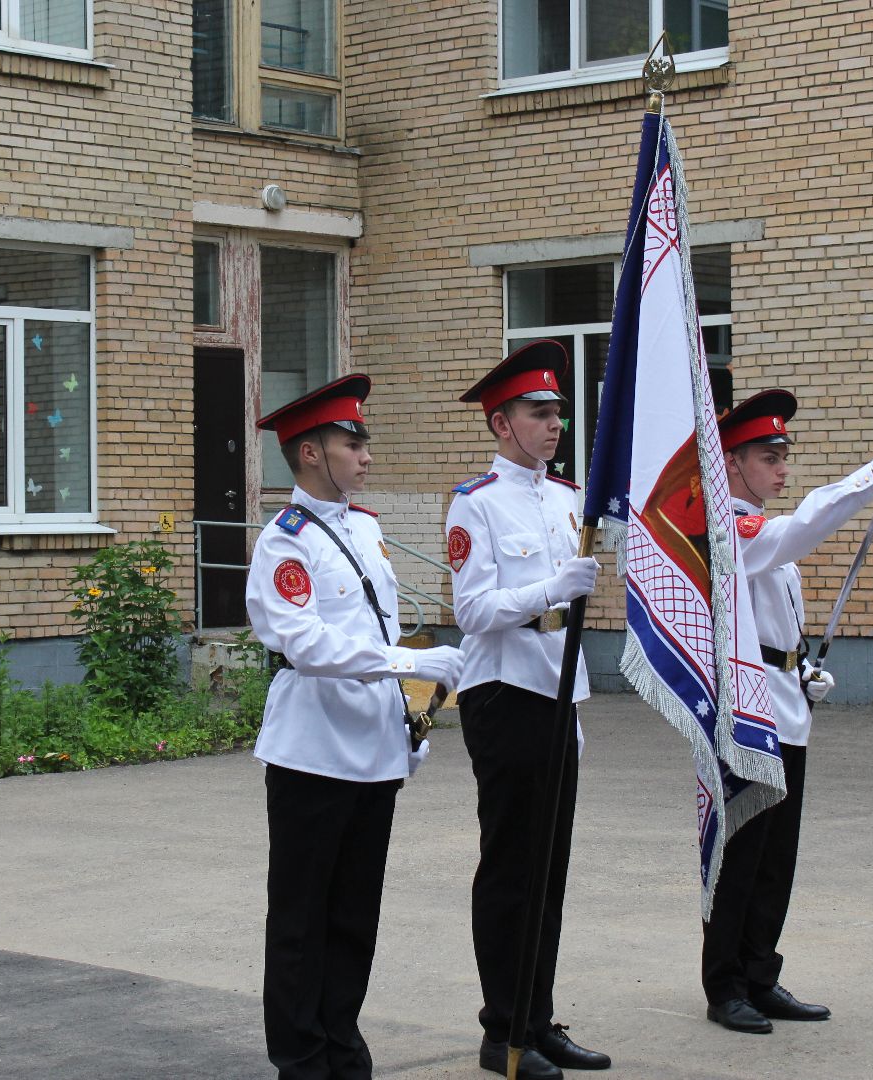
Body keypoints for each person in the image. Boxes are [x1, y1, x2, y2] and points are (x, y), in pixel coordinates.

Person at [246, 373, 466, 1080]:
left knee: (353, 918)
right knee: (301, 922)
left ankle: (342, 1043)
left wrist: (404, 716)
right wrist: (408, 660)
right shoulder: (284, 544)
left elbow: (371, 625)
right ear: (311, 453)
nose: (365, 456)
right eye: (353, 443)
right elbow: (307, 645)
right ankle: (302, 1059)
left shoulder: (365, 527)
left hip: (373, 748)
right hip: (312, 750)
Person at [703, 389, 873, 1034]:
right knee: (740, 855)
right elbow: (800, 526)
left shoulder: (764, 533)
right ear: (733, 462)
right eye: (769, 457)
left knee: (777, 856)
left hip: (783, 703)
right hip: (744, 713)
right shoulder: (729, 528)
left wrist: (802, 671)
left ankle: (760, 974)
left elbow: (774, 626)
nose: (782, 468)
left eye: (783, 456)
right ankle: (725, 987)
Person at [445, 340, 611, 1080]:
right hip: (505, 696)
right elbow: (473, 610)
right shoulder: (475, 503)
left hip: (557, 694)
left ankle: (538, 1019)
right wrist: (550, 591)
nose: (554, 425)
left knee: (550, 868)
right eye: (538, 413)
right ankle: (501, 1030)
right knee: (513, 868)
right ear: (500, 422)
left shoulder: (568, 497)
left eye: (557, 413)